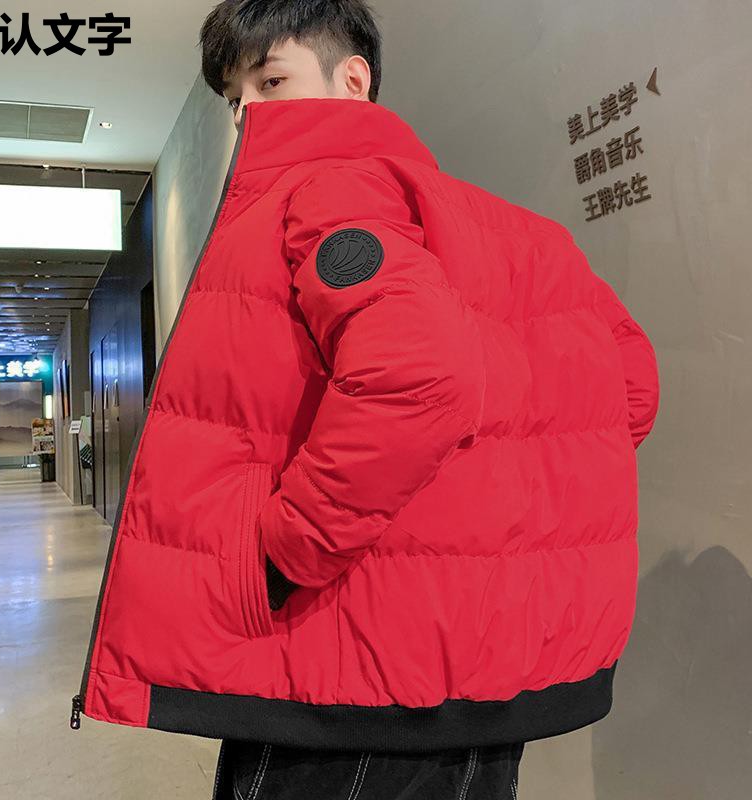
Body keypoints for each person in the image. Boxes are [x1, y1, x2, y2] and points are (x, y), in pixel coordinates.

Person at [70, 2, 660, 798]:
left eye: (271, 80)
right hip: (479, 675)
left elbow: (421, 377)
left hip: (350, 677)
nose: (246, 112)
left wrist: (287, 551)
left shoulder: (329, 189)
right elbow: (631, 388)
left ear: (353, 79)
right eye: (234, 96)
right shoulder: (518, 233)